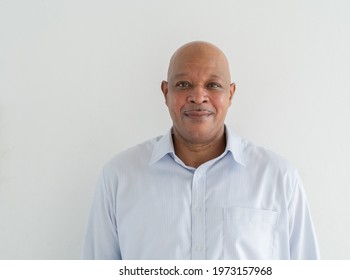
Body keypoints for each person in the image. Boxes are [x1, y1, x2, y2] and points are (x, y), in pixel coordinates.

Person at [82, 41, 320, 259]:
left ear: (230, 94)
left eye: (213, 85)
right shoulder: (119, 177)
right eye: (183, 84)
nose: (198, 96)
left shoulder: (278, 177)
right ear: (166, 93)